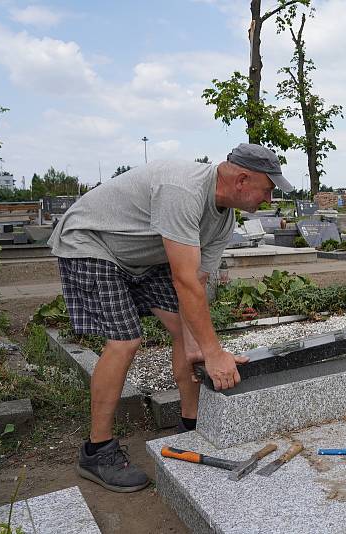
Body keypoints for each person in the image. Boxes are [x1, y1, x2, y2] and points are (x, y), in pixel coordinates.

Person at [48, 143, 293, 492]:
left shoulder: (222, 222)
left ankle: (189, 426)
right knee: (125, 340)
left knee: (185, 332)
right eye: (268, 189)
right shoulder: (183, 189)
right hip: (93, 243)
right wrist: (214, 352)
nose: (268, 200)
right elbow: (182, 279)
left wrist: (201, 347)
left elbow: (198, 283)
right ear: (242, 179)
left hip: (142, 257)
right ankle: (96, 451)